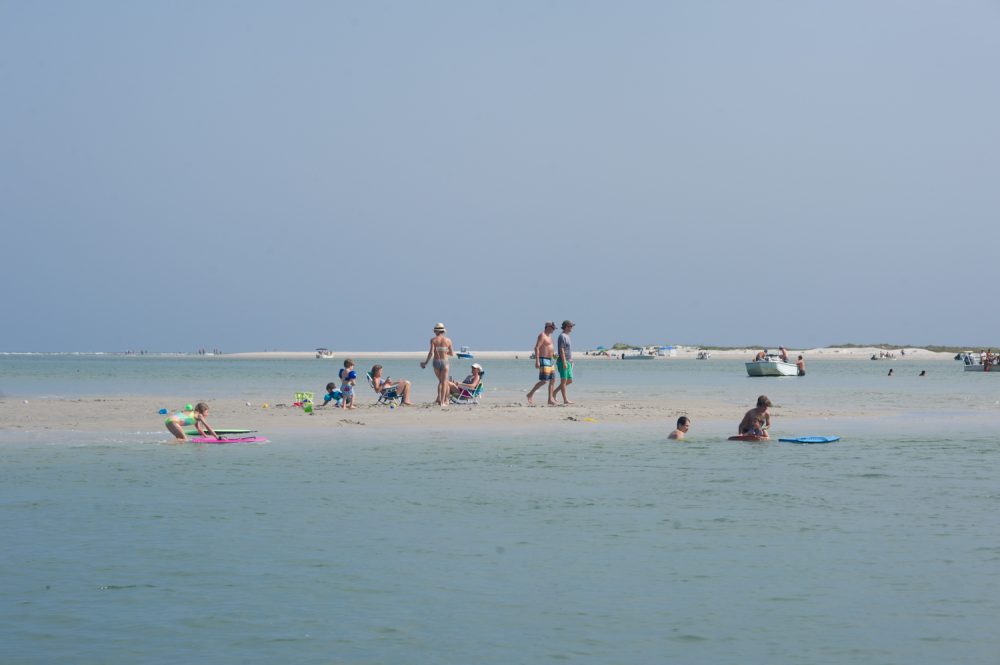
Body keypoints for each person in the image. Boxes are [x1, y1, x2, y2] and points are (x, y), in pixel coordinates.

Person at [420, 323, 454, 405]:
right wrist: (444, 351)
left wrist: (425, 363)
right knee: (443, 382)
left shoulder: (433, 340)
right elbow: (452, 353)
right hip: (445, 362)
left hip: (436, 362)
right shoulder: (448, 340)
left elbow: (431, 353)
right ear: (443, 331)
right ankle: (443, 401)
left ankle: (440, 400)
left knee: (441, 381)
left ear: (436, 331)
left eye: (435, 331)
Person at [526, 321, 558, 405]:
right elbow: (536, 348)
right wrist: (537, 361)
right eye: (553, 328)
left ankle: (550, 399)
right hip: (543, 359)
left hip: (550, 360)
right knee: (544, 381)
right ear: (548, 327)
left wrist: (554, 354)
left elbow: (549, 347)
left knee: (553, 380)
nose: (554, 330)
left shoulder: (550, 336)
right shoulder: (542, 335)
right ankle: (530, 394)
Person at [554, 320, 575, 404]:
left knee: (569, 380)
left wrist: (571, 360)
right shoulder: (562, 336)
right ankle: (565, 399)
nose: (572, 328)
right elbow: (561, 349)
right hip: (563, 361)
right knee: (564, 380)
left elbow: (567, 350)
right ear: (566, 327)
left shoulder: (567, 336)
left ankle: (554, 392)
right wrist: (564, 362)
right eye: (570, 326)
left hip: (568, 360)